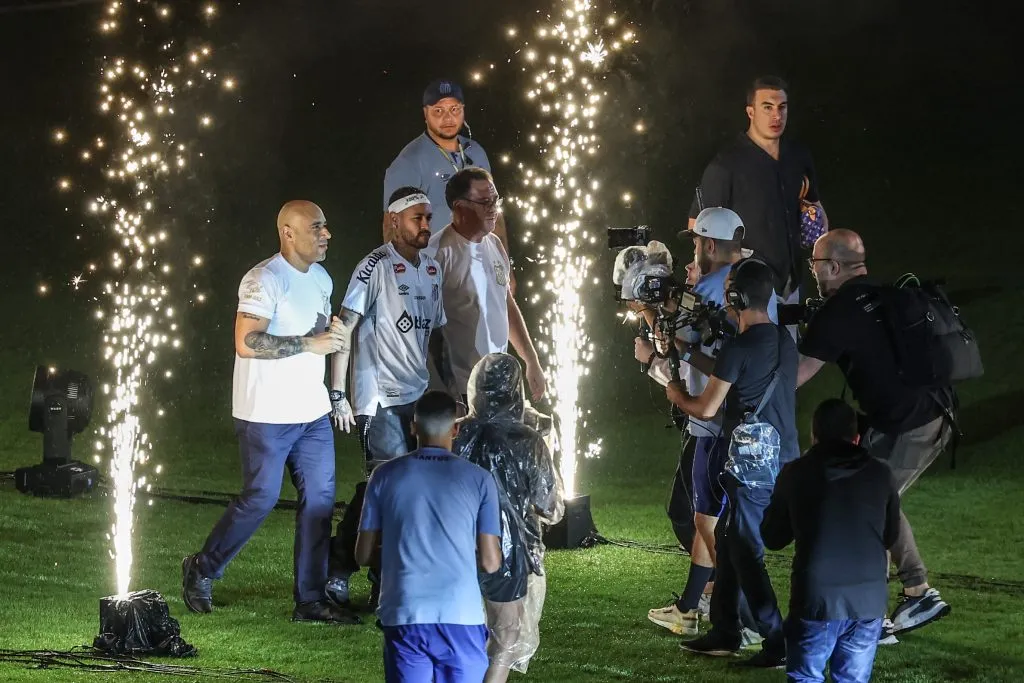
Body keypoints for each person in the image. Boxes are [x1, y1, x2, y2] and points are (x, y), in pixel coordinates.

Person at [181, 201, 358, 624]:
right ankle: (202, 568)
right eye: (317, 227)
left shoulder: (321, 277)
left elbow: (332, 339)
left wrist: (336, 393)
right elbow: (247, 341)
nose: (326, 234)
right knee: (260, 498)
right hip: (265, 414)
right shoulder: (263, 279)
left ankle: (311, 600)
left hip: (311, 413)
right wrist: (306, 344)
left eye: (326, 226)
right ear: (288, 233)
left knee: (319, 501)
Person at [798, 228, 952, 637]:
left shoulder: (839, 312)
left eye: (815, 264)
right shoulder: (879, 295)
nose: (812, 272)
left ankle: (896, 605)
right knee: (876, 500)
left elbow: (795, 376)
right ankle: (908, 596)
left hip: (910, 426)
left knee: (868, 505)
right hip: (929, 413)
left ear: (832, 266)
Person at [640, 209, 778, 639]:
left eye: (697, 241)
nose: (694, 249)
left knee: (702, 520)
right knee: (710, 519)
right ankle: (697, 604)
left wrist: (651, 322)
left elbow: (685, 349)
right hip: (745, 421)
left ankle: (749, 615)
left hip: (715, 420)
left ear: (711, 245)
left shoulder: (717, 290)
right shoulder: (753, 285)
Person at [666, 258, 798, 668]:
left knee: (743, 549)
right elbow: (738, 374)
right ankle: (725, 629)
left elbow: (707, 408)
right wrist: (690, 354)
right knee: (727, 536)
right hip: (784, 458)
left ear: (737, 297)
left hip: (751, 466)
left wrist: (674, 392)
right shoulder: (784, 341)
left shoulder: (740, 346)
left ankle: (775, 639)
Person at [323, 187, 446, 609]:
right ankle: (341, 568)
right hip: (380, 400)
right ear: (394, 221)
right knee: (388, 490)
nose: (426, 225)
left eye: (428, 217)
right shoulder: (374, 265)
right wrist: (338, 393)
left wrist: (447, 390)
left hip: (417, 396)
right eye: (417, 218)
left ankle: (382, 578)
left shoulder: (431, 269)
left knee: (403, 491)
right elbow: (344, 327)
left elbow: (435, 337)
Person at [356, 391, 503, 682]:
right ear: (456, 429)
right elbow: (490, 562)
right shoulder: (480, 479)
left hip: (405, 612)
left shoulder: (384, 475)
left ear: (413, 427)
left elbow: (361, 555)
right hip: (460, 614)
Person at [762, 399, 901, 682]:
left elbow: (772, 537)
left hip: (817, 598)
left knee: (805, 677)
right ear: (857, 437)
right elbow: (891, 536)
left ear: (814, 436)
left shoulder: (796, 472)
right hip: (868, 600)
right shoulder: (881, 473)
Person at [452, 353, 565, 682]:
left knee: (464, 634)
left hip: (456, 544)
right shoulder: (528, 441)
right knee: (505, 636)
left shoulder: (458, 434)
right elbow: (551, 507)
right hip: (508, 551)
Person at [688, 75, 827, 302]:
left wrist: (820, 246)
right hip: (747, 289)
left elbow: (815, 208)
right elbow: (697, 227)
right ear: (750, 112)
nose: (776, 115)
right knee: (757, 338)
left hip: (792, 285)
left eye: (782, 107)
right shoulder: (725, 165)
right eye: (767, 107)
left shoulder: (798, 156)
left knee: (790, 338)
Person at [428, 166, 545, 403]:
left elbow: (506, 304)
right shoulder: (437, 254)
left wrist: (531, 360)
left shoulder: (494, 245)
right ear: (460, 207)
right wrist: (447, 393)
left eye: (495, 200)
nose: (493, 209)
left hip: (499, 381)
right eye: (484, 202)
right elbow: (427, 332)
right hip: (462, 390)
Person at [383, 78, 510, 253]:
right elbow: (392, 226)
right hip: (435, 271)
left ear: (463, 110)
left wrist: (505, 270)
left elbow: (494, 211)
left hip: (479, 266)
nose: (448, 118)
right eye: (438, 110)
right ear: (425, 113)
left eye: (454, 109)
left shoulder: (476, 153)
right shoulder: (409, 162)